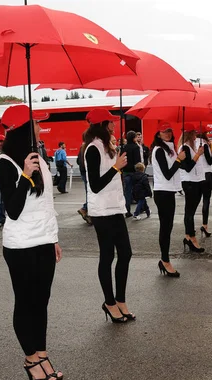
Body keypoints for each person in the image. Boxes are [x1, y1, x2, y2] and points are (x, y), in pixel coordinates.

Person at [0, 104, 63, 380]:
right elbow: (14, 209)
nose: (40, 127)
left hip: (44, 241)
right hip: (21, 246)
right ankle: (31, 358)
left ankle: (43, 354)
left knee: (41, 302)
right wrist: (24, 174)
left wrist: (54, 238)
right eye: (36, 123)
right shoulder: (4, 163)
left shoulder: (39, 159)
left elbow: (47, 205)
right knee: (26, 302)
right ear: (24, 128)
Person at [83, 109, 135, 324]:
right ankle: (109, 302)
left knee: (126, 253)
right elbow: (94, 185)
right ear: (102, 124)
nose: (115, 124)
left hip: (115, 208)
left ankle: (120, 299)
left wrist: (119, 163)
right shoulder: (92, 149)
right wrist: (115, 168)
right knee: (107, 256)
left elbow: (113, 175)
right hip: (101, 211)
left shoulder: (108, 146)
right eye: (111, 121)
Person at [151, 122, 185, 277]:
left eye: (170, 131)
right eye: (165, 131)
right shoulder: (159, 150)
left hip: (168, 192)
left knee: (168, 227)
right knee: (165, 228)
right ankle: (165, 260)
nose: (168, 133)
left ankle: (165, 259)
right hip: (162, 192)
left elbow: (178, 168)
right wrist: (179, 160)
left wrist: (181, 159)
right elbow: (167, 173)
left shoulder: (169, 149)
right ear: (158, 134)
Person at [179, 126, 206, 253]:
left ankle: (188, 236)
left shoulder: (192, 147)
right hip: (190, 182)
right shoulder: (184, 148)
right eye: (194, 133)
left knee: (191, 211)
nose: (196, 135)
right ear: (189, 134)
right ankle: (192, 238)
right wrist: (198, 155)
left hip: (197, 181)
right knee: (189, 212)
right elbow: (188, 167)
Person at [195, 126, 212, 237]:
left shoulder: (193, 143)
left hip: (197, 175)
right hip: (207, 174)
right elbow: (210, 161)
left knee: (195, 202)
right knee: (206, 200)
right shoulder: (204, 144)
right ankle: (205, 225)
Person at [121, 131, 142, 218]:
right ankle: (141, 208)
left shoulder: (124, 147)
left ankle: (127, 210)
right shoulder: (136, 147)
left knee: (127, 192)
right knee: (139, 190)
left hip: (125, 172)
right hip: (134, 171)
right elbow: (137, 160)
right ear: (134, 138)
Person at [76, 132, 92, 225]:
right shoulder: (89, 147)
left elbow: (78, 161)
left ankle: (86, 210)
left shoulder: (82, 147)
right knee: (91, 192)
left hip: (83, 171)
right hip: (87, 172)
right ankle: (85, 209)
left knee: (89, 192)